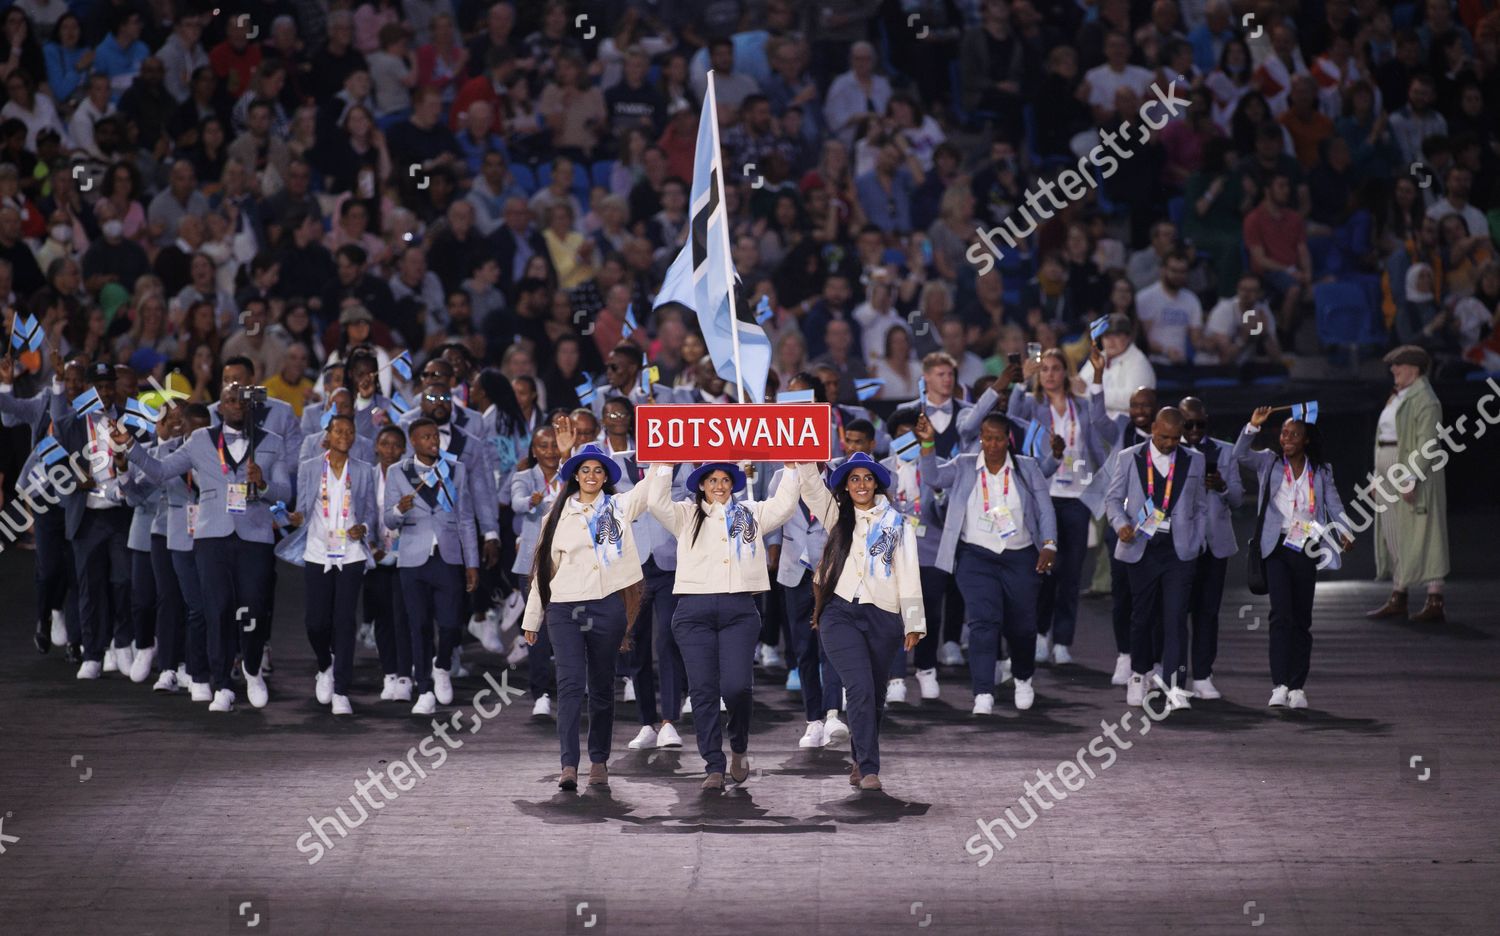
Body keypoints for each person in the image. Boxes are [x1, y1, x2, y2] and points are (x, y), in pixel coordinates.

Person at [115, 383, 293, 712]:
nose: (236, 404)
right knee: (218, 609)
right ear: (219, 408)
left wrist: (264, 484)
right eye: (229, 400)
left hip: (254, 534)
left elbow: (284, 491)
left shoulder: (273, 442)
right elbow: (160, 470)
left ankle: (252, 668)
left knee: (253, 609)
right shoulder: (200, 440)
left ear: (250, 406)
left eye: (241, 400)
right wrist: (130, 447)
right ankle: (222, 683)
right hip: (212, 535)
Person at [643, 456, 800, 790]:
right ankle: (713, 763)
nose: (719, 486)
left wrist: (790, 467)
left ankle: (739, 745)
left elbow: (785, 505)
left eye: (725, 480)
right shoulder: (685, 514)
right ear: (701, 484)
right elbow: (655, 502)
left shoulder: (751, 513)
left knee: (738, 687)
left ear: (733, 484)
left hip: (739, 611)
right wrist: (664, 464)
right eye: (712, 480)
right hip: (692, 612)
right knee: (702, 691)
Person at [520, 421, 653, 791]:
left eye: (598, 470)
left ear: (606, 476)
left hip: (608, 608)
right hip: (564, 610)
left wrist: (664, 455)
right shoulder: (556, 515)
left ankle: (598, 760)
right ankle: (568, 765)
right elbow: (543, 572)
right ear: (575, 476)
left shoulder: (619, 507)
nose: (591, 475)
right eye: (585, 470)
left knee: (601, 686)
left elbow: (651, 487)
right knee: (570, 684)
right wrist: (533, 617)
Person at [794, 451, 925, 791]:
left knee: (875, 693)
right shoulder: (837, 514)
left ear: (877, 483)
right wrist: (802, 454)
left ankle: (858, 755)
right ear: (846, 486)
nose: (861, 484)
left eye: (867, 478)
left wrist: (913, 622)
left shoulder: (898, 524)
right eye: (854, 479)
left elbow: (909, 573)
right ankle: (868, 768)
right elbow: (810, 488)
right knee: (860, 688)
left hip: (883, 615)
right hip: (839, 613)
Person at [918, 411, 1056, 715]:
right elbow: (932, 477)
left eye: (998, 438)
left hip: (1020, 554)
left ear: (1008, 439)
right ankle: (982, 692)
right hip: (975, 555)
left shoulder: (1027, 467)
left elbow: (1045, 508)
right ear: (980, 437)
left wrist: (1049, 544)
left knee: (1022, 625)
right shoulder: (965, 464)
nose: (991, 444)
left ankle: (1022, 677)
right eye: (986, 437)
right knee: (982, 621)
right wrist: (927, 444)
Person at [1234, 406, 1353, 708]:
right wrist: (1252, 426)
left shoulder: (1322, 470)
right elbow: (1239, 455)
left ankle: (1298, 687)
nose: (1286, 438)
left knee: (1301, 618)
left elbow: (1334, 503)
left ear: (1306, 440)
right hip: (1275, 546)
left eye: (1294, 435)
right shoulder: (1269, 462)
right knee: (1281, 615)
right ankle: (1279, 684)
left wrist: (1345, 531)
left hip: (1306, 547)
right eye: (1284, 433)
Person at [1104, 406, 1208, 712]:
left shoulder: (1195, 460)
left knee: (1176, 617)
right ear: (1153, 429)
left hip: (1178, 550)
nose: (1169, 443)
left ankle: (1176, 685)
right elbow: (1112, 499)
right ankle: (1139, 673)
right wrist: (1120, 523)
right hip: (1141, 546)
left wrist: (1197, 539)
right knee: (1142, 615)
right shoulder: (1129, 457)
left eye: (1175, 438)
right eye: (1163, 437)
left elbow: (1201, 506)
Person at [1008, 351, 1106, 665]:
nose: (1049, 375)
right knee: (1045, 571)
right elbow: (1010, 416)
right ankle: (1040, 635)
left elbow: (1098, 438)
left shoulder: (1082, 406)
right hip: (1043, 496)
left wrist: (1106, 489)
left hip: (1077, 498)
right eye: (1044, 370)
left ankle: (1063, 641)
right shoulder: (1032, 405)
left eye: (1055, 369)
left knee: (1072, 573)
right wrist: (1021, 379)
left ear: (1066, 372)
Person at [382, 418, 480, 715]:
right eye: (425, 437)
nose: (433, 441)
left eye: (435, 435)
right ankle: (424, 688)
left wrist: (472, 562)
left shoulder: (455, 469)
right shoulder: (398, 472)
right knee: (419, 625)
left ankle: (442, 664)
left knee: (451, 624)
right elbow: (387, 519)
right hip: (412, 558)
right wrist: (400, 508)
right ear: (413, 442)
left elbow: (465, 518)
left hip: (448, 557)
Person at [285, 413, 379, 715]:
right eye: (339, 430)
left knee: (345, 621)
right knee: (316, 621)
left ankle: (341, 689)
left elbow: (370, 515)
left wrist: (363, 528)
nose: (345, 435)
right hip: (317, 551)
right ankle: (324, 664)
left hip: (350, 553)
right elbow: (301, 508)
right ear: (327, 434)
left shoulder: (364, 470)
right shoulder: (310, 467)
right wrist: (296, 517)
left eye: (350, 431)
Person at [1366, 346, 1449, 624]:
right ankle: (1398, 595)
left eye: (1398, 365)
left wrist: (1411, 477)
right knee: (1393, 531)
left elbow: (1428, 443)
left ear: (1414, 368)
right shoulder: (1399, 397)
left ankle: (1435, 598)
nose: (1393, 370)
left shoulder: (1425, 399)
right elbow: (1383, 437)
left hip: (1410, 467)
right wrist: (1378, 476)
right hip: (1389, 463)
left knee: (1424, 533)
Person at [1178, 396, 1242, 700]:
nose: (1193, 430)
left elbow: (1239, 499)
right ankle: (1174, 677)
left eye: (1198, 424)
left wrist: (1222, 486)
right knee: (1175, 613)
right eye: (1186, 424)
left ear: (1207, 420)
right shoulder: (1167, 450)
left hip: (1214, 545)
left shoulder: (1225, 451)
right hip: (1179, 545)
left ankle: (1203, 676)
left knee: (1207, 613)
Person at [365, 424, 412, 702]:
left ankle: (406, 673)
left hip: (405, 555)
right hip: (375, 557)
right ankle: (390, 673)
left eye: (396, 445)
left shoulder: (409, 476)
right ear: (376, 447)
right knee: (382, 617)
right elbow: (360, 511)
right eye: (385, 444)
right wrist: (371, 545)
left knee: (403, 616)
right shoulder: (367, 477)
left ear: (404, 450)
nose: (390, 450)